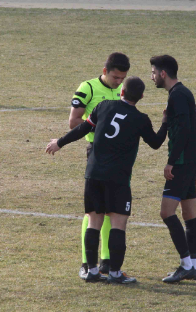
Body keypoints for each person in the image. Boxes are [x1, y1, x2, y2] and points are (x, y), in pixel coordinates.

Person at [47, 77, 167, 284]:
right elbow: (156, 143)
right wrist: (165, 122)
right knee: (118, 224)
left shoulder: (103, 106)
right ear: (141, 96)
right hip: (118, 178)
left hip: (93, 173)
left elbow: (83, 129)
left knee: (94, 222)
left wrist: (60, 142)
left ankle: (92, 271)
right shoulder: (141, 119)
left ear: (122, 92)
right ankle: (115, 273)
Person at [69, 52, 131, 279]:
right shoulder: (88, 88)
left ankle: (106, 261)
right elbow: (74, 122)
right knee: (94, 210)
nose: (118, 82)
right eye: (115, 77)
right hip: (96, 153)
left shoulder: (123, 90)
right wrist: (103, 129)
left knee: (111, 210)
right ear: (105, 71)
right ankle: (87, 263)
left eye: (122, 78)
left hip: (118, 158)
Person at [150, 55, 196, 283]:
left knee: (166, 212)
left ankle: (186, 265)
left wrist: (171, 161)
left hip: (182, 161)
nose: (152, 77)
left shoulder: (178, 95)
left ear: (163, 73)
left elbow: (184, 130)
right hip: (191, 159)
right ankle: (193, 265)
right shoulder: (181, 93)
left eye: (153, 72)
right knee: (189, 213)